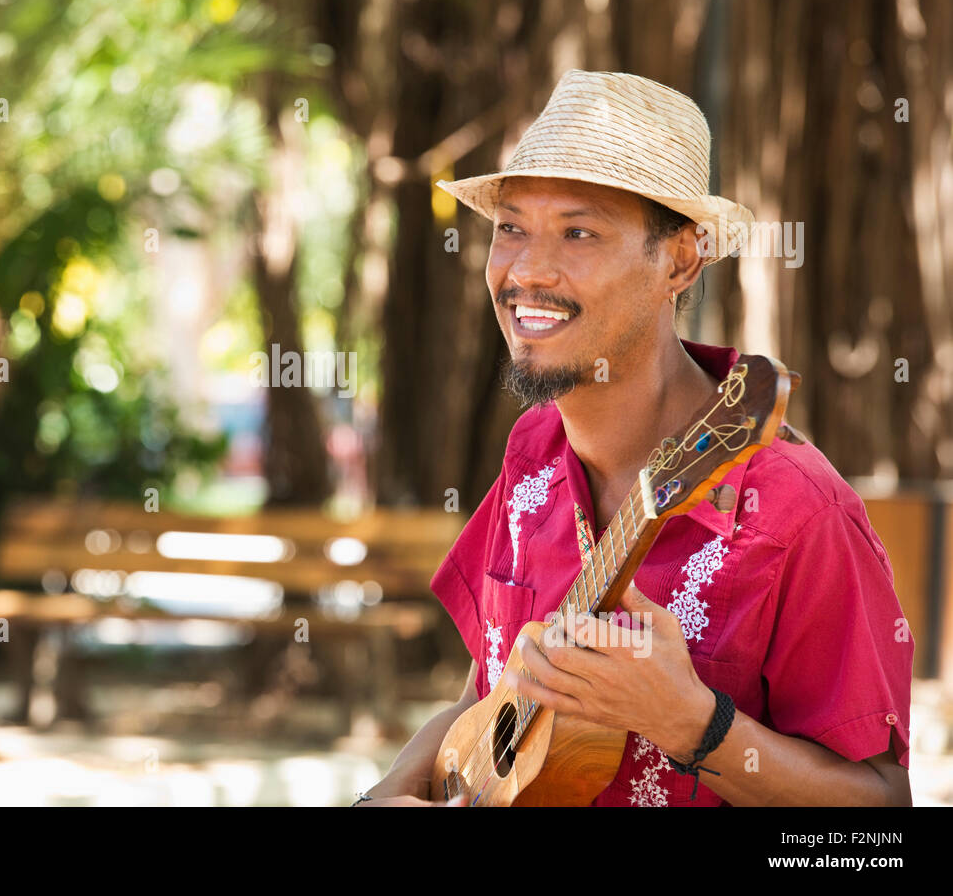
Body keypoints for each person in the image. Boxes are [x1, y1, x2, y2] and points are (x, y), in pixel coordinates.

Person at [354, 70, 912, 807]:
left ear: (680, 261)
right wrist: (384, 794)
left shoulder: (798, 513)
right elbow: (482, 699)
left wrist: (694, 724)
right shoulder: (533, 454)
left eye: (579, 231)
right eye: (512, 227)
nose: (526, 270)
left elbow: (879, 819)